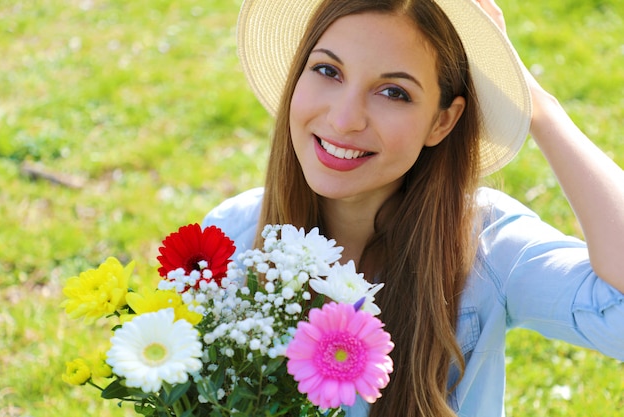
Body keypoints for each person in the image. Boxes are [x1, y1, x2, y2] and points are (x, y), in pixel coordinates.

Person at [203, 0, 624, 415]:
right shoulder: (228, 240)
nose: (346, 119)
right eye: (328, 71)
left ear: (442, 121)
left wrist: (539, 109)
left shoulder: (486, 247)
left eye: (393, 92)